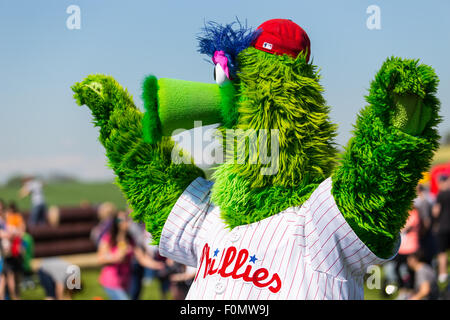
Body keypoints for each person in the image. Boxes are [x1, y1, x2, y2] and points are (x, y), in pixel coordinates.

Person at [97, 210, 135, 300]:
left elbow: (141, 256)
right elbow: (100, 259)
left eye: (126, 219)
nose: (125, 222)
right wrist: (116, 258)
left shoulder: (130, 239)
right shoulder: (108, 238)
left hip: (126, 281)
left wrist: (156, 265)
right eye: (120, 220)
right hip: (111, 280)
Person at [432, 175, 450, 292]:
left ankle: (443, 275)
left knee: (442, 253)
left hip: (443, 228)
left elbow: (436, 211)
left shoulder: (441, 194)